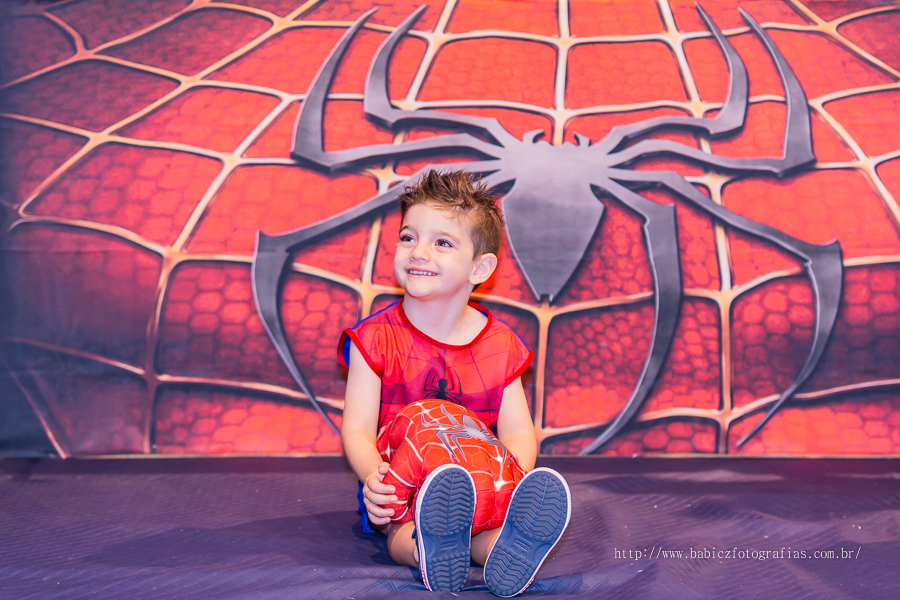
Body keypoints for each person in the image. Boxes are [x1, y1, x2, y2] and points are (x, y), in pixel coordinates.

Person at [338, 169, 570, 596]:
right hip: (403, 484)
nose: (418, 252)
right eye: (408, 238)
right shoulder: (374, 338)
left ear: (480, 267)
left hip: (479, 479)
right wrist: (375, 478)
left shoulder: (500, 345)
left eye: (441, 243)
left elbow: (518, 431)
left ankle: (510, 551)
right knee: (399, 536)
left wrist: (509, 477)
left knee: (489, 525)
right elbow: (356, 428)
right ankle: (430, 547)